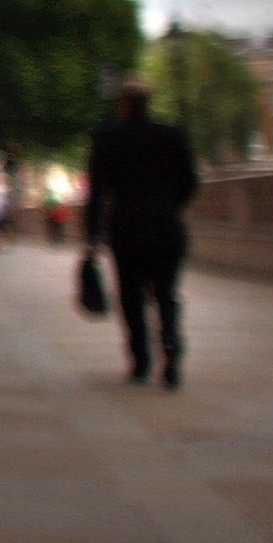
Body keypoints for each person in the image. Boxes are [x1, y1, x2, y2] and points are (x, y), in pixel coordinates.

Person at [84, 76, 199, 388]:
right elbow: (190, 182)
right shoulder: (172, 134)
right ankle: (171, 347)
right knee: (166, 293)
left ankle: (140, 360)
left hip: (126, 228)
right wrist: (169, 205)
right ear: (149, 102)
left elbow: (97, 191)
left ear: (122, 103)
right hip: (166, 226)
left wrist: (92, 236)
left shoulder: (107, 136)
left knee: (130, 295)